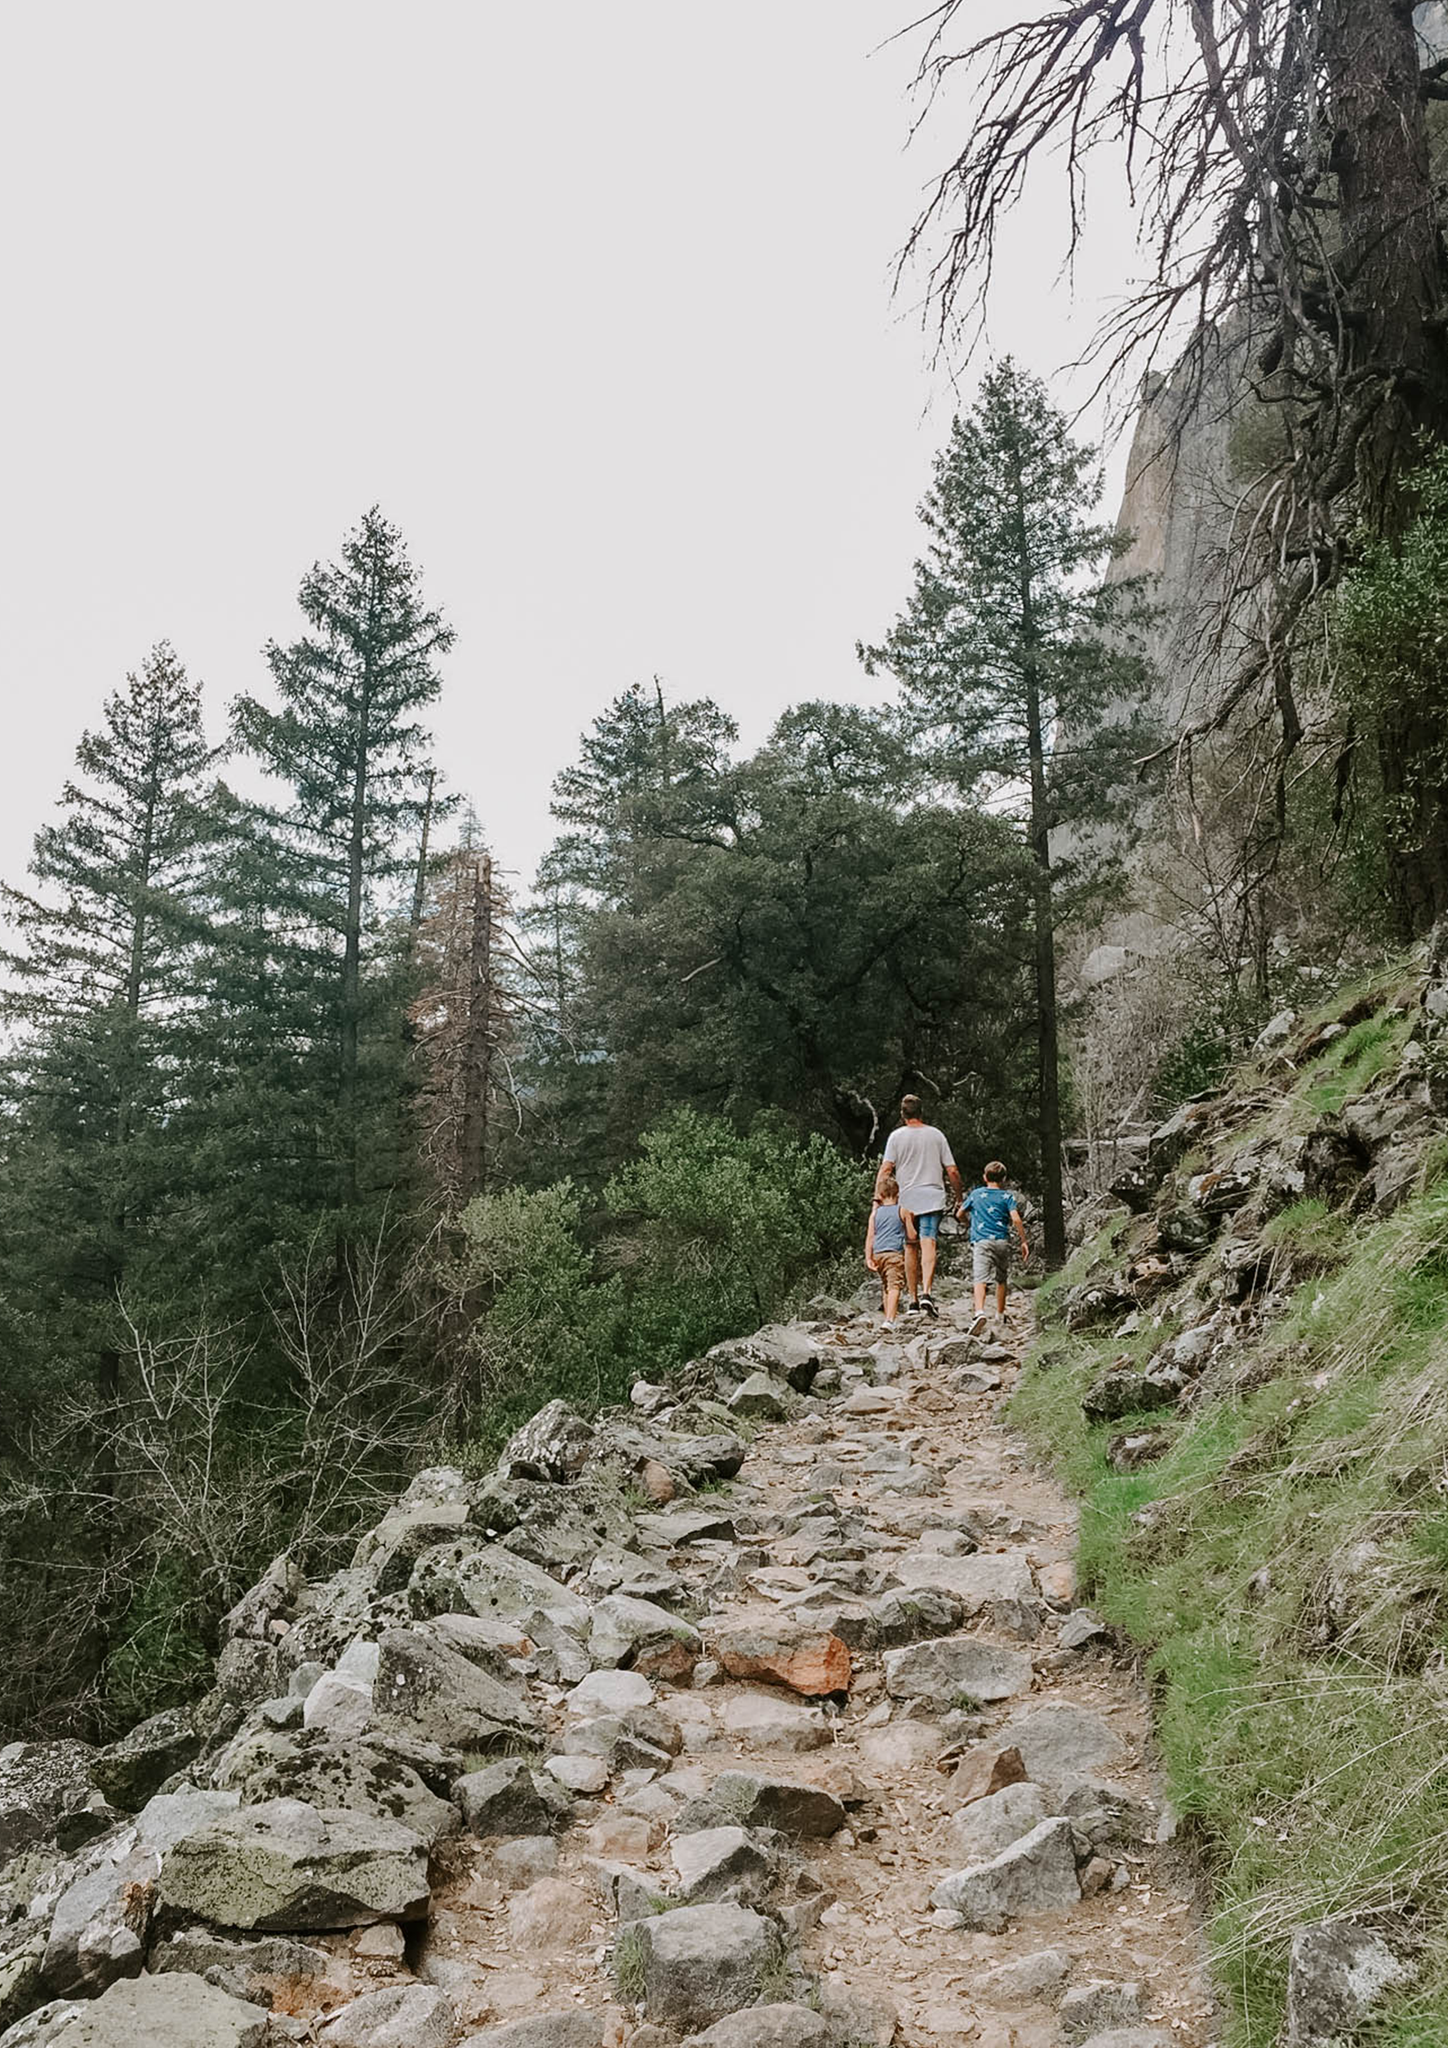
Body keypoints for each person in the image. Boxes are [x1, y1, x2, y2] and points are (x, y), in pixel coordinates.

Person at [875, 1095, 962, 1318]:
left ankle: (912, 1300)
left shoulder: (896, 1137)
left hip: (906, 1199)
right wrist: (959, 1196)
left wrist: (878, 1199)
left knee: (910, 1246)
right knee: (929, 1241)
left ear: (902, 1114)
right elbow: (952, 1170)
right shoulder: (936, 1135)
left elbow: (886, 1169)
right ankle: (927, 1293)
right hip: (932, 1196)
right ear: (922, 1112)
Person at [958, 1159, 1029, 1320]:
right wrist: (1023, 1240)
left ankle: (979, 1312)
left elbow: (959, 1213)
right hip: (1001, 1241)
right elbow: (1016, 1219)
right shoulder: (1007, 1196)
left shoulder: (976, 1194)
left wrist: (968, 1224)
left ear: (985, 1177)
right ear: (1004, 1179)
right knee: (1001, 1278)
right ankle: (1000, 1313)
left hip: (981, 1241)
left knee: (980, 1278)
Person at [864, 1168, 908, 1329]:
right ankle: (890, 1320)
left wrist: (868, 1257)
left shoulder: (875, 1214)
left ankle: (887, 1318)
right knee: (894, 1285)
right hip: (894, 1254)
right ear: (898, 1194)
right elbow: (910, 1233)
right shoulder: (901, 1210)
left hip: (878, 1254)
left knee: (885, 1286)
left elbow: (870, 1237)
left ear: (880, 1196)